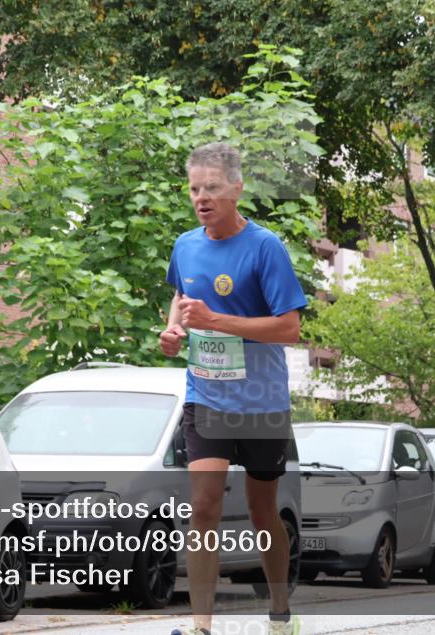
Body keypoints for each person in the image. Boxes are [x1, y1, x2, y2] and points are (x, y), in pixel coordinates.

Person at [161, 143, 306, 635]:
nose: (201, 198)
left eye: (213, 188)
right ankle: (200, 626)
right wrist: (174, 330)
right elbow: (182, 297)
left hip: (261, 402)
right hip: (206, 396)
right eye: (194, 189)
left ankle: (280, 613)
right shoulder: (185, 246)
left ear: (237, 189)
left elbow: (290, 328)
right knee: (203, 506)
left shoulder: (266, 247)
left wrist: (216, 321)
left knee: (263, 511)